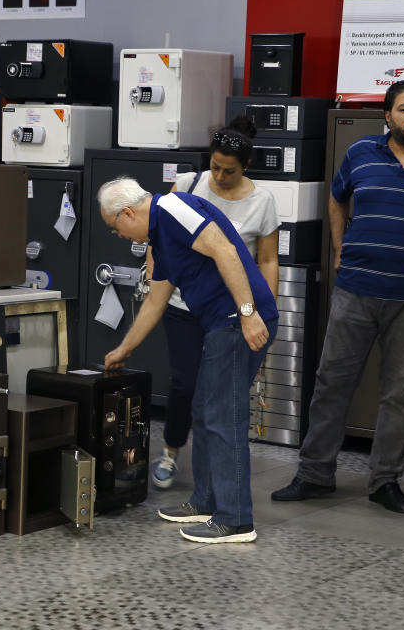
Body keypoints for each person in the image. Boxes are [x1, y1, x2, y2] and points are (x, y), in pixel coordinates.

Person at [270, 79, 404, 514]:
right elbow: (337, 198)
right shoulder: (360, 153)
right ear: (388, 115)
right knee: (331, 384)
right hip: (356, 291)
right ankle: (314, 474)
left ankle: (384, 482)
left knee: (400, 394)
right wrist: (340, 249)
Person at [99, 176, 277, 543]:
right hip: (223, 324)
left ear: (128, 213)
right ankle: (207, 501)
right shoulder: (161, 240)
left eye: (115, 228)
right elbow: (156, 300)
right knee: (205, 410)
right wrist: (124, 348)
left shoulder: (173, 208)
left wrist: (247, 313)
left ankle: (236, 519)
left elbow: (226, 251)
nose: (119, 236)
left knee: (224, 417)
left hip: (238, 321)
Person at [151, 116, 280, 490]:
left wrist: (263, 313)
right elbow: (159, 236)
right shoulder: (188, 186)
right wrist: (153, 280)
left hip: (232, 313)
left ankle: (214, 478)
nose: (220, 177)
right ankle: (171, 451)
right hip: (184, 306)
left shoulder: (263, 202)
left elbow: (267, 260)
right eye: (215, 168)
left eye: (230, 171)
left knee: (222, 394)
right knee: (185, 383)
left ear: (246, 167)